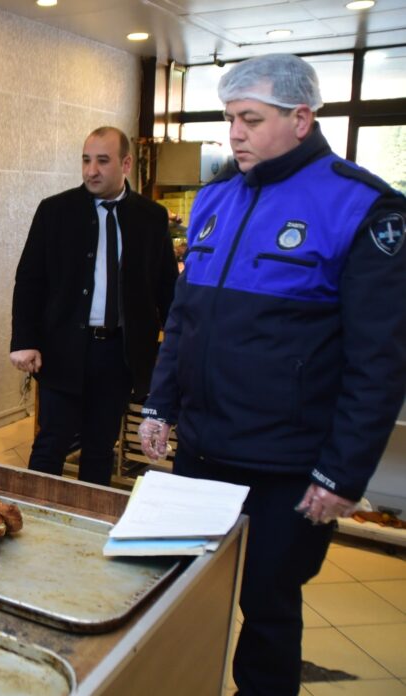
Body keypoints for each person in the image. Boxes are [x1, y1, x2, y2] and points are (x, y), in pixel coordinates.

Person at [138, 54, 406, 696]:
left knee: (267, 612)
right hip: (202, 453)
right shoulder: (216, 198)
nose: (234, 134)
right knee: (181, 598)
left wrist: (341, 474)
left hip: (286, 465)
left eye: (250, 119)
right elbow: (185, 317)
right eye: (230, 118)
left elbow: (380, 362)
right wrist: (159, 404)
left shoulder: (364, 208)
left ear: (301, 118)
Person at [9, 126, 178, 485]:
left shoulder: (152, 217)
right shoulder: (55, 211)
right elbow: (29, 280)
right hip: (63, 348)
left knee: (101, 446)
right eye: (86, 160)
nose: (91, 171)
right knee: (51, 443)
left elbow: (167, 289)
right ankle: (35, 517)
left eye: (102, 161)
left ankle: (89, 522)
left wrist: (175, 352)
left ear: (126, 163)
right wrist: (24, 339)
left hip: (119, 353)